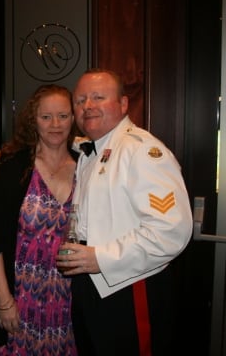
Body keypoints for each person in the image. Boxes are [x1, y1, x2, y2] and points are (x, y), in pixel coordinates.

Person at [57, 68, 193, 355]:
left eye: (98, 97)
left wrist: (100, 258)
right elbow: (58, 140)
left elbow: (170, 231)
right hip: (88, 285)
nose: (88, 105)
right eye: (80, 100)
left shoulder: (142, 151)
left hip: (130, 287)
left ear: (123, 104)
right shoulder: (90, 149)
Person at [0, 84, 79, 356]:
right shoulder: (11, 167)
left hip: (67, 300)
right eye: (46, 117)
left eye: (63, 116)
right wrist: (4, 301)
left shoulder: (87, 167)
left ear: (73, 118)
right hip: (19, 297)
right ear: (33, 120)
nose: (55, 124)